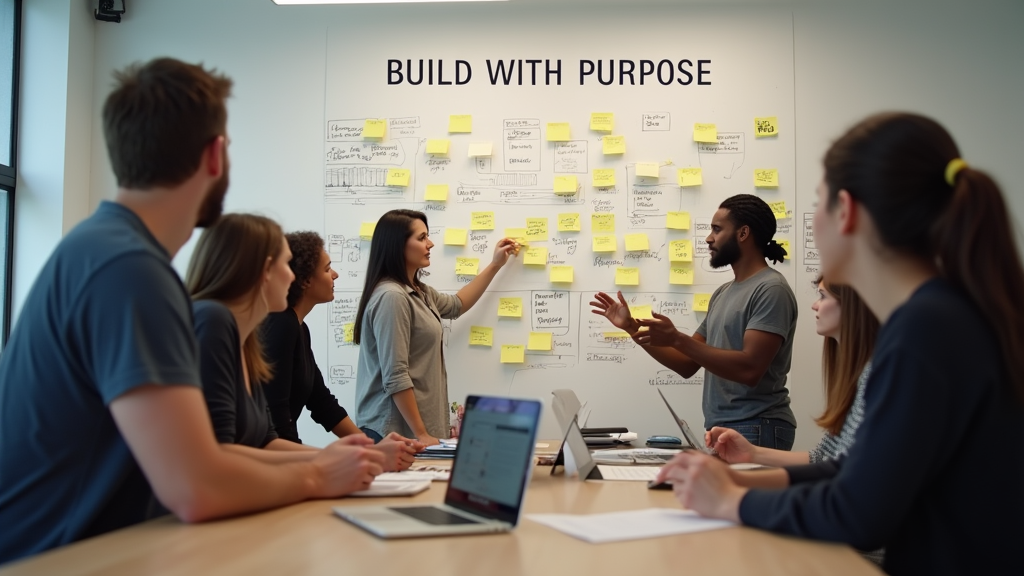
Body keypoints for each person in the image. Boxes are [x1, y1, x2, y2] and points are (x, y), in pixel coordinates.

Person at [0, 58, 382, 564]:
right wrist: (318, 473)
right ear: (214, 155)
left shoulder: (103, 248)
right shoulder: (129, 267)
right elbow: (194, 486)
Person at [656, 113, 1024, 575]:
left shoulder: (926, 330)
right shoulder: (938, 317)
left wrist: (733, 502)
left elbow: (858, 512)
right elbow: (854, 470)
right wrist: (735, 480)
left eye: (817, 203)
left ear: (845, 211)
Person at [591, 194, 798, 449]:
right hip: (724, 426)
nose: (709, 238)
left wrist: (677, 338)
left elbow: (749, 369)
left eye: (717, 229)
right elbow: (687, 364)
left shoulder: (770, 289)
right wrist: (632, 328)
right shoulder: (723, 292)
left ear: (743, 233)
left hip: (757, 425)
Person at [353, 209, 516, 446]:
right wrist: (421, 433)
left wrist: (495, 264)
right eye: (421, 238)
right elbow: (396, 376)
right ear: (397, 245)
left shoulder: (419, 292)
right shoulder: (392, 297)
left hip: (415, 432)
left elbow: (457, 305)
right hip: (394, 433)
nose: (430, 244)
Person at [261, 230, 421, 468]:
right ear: (305, 280)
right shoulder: (280, 325)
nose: (335, 275)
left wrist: (372, 448)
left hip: (284, 457)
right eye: (327, 269)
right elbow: (275, 421)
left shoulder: (298, 328)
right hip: (272, 461)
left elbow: (322, 402)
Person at [707, 277, 879, 483]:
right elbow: (821, 457)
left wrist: (740, 485)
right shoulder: (857, 375)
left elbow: (851, 474)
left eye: (823, 296)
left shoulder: (875, 377)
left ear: (853, 304)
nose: (814, 304)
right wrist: (751, 453)